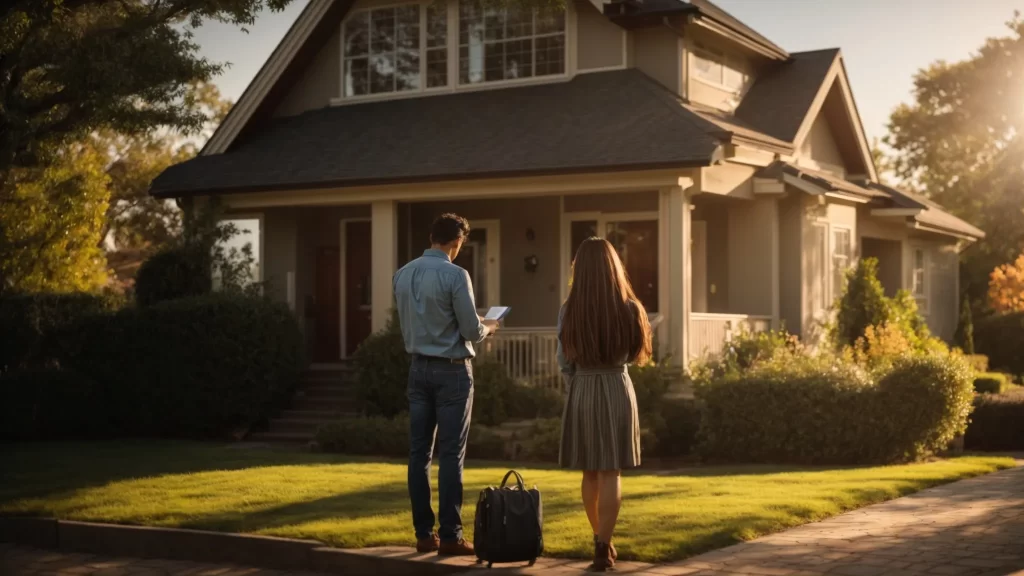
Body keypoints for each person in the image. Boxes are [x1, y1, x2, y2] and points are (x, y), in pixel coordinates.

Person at [393, 212, 500, 557]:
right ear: (456, 243)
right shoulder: (456, 275)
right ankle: (451, 536)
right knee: (451, 454)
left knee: (418, 454)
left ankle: (424, 534)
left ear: (431, 237)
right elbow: (471, 330)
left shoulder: (403, 274)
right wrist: (489, 327)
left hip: (417, 369)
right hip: (452, 371)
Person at [557, 237, 652, 572]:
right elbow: (636, 355)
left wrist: (579, 382)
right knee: (611, 470)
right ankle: (603, 544)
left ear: (578, 270)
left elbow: (564, 363)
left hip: (583, 387)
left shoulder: (569, 310)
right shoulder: (631, 309)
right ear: (615, 267)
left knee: (590, 470)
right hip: (616, 385)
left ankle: (600, 538)